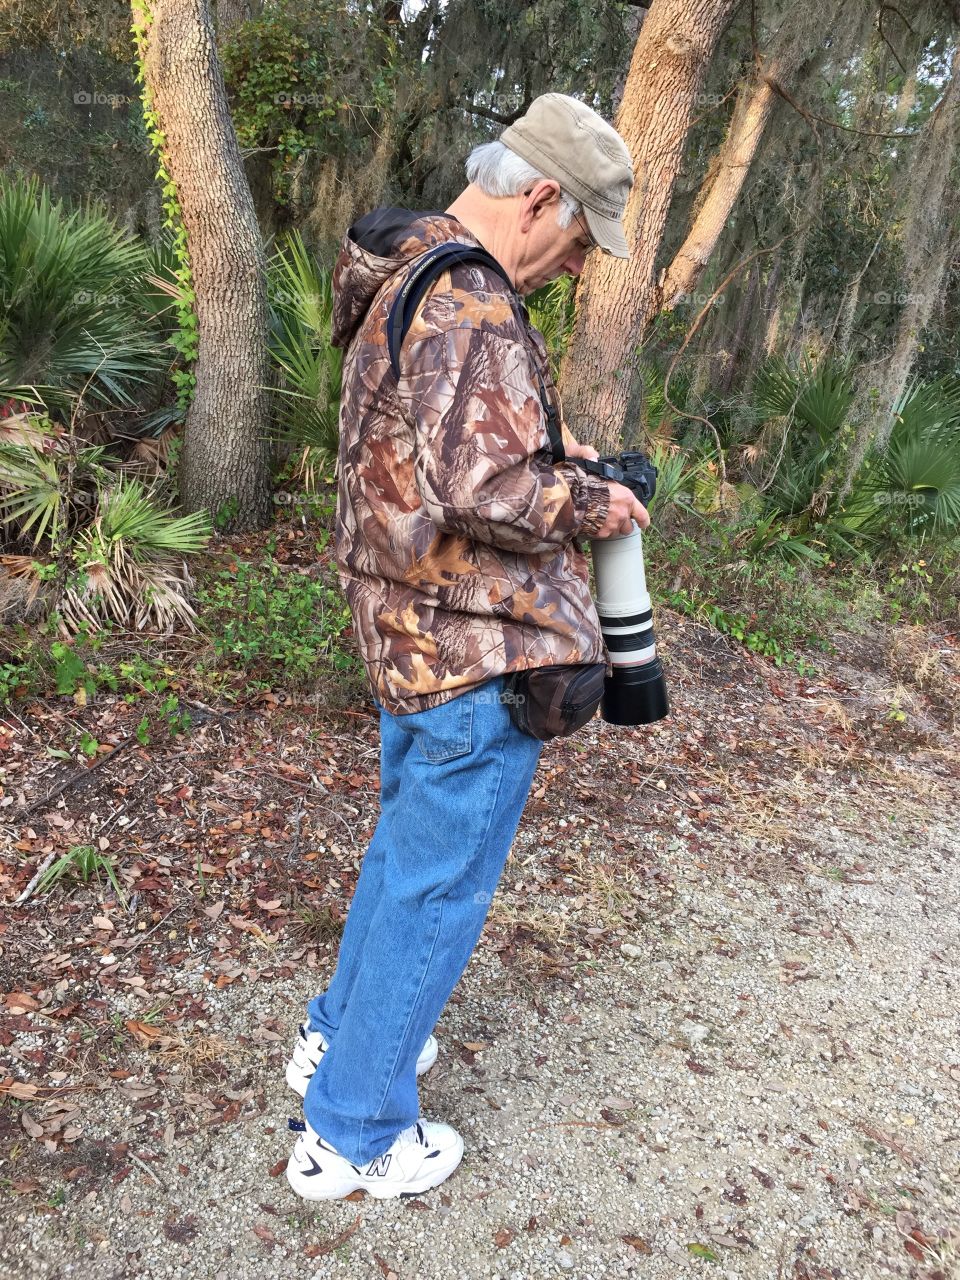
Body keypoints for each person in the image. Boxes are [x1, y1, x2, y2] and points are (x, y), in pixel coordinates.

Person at [285, 93, 650, 1202]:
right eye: (580, 240)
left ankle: (339, 1038)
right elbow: (485, 489)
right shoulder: (474, 301)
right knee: (436, 893)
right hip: (477, 654)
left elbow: (433, 457)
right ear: (538, 198)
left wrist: (551, 450)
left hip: (411, 637)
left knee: (405, 866)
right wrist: (598, 500)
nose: (577, 268)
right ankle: (355, 1130)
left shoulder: (410, 274)